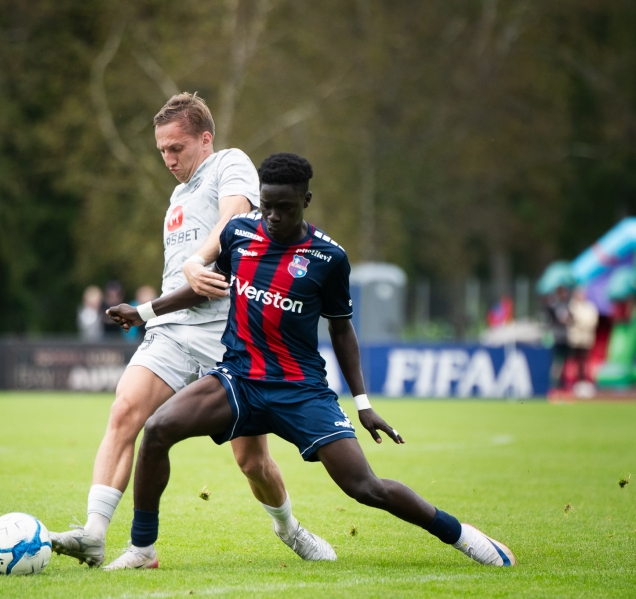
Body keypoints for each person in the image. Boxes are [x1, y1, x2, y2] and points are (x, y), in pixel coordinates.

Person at [103, 153, 516, 570]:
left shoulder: (329, 258)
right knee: (157, 429)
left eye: (285, 208)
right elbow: (206, 287)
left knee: (365, 487)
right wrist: (144, 312)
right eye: (267, 206)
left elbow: (342, 329)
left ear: (306, 200)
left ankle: (462, 535)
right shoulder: (238, 233)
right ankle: (143, 550)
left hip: (300, 390)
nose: (273, 217)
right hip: (240, 379)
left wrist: (363, 403)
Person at [50, 95, 334, 568]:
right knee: (125, 411)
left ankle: (290, 530)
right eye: (162, 150)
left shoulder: (229, 163)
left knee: (251, 461)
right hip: (174, 330)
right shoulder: (177, 198)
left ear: (205, 139)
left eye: (176, 148)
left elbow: (235, 218)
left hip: (229, 336)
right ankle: (95, 535)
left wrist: (197, 261)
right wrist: (152, 311)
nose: (168, 159)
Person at [567, 287, 599, 383]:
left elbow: (592, 321)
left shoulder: (590, 307)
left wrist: (580, 322)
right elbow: (571, 320)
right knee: (573, 360)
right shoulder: (572, 306)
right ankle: (571, 381)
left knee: (584, 361)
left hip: (586, 339)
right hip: (575, 339)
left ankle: (584, 380)